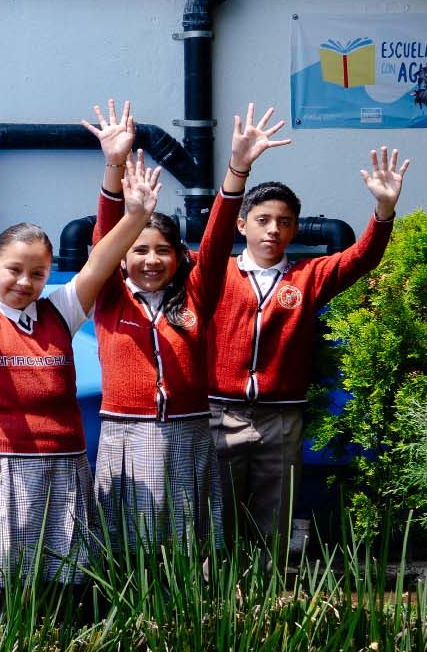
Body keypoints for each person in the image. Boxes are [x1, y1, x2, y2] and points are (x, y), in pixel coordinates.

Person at [0, 150, 161, 591]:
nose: (25, 282)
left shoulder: (60, 310)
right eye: (14, 270)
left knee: (65, 588)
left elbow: (101, 261)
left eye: (37, 273)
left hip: (64, 465)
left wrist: (135, 215)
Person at [84, 101, 289, 552]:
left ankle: (182, 621)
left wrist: (237, 168)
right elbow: (104, 237)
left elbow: (216, 240)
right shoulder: (109, 294)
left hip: (188, 434)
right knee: (126, 551)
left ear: (178, 257)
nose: (152, 260)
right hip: (126, 434)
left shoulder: (197, 293)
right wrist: (114, 166)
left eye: (162, 251)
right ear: (122, 257)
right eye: (139, 250)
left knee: (185, 551)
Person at [207, 135, 410, 553]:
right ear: (242, 225)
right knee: (216, 523)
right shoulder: (215, 274)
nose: (273, 230)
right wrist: (237, 170)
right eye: (262, 220)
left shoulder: (308, 276)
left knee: (273, 523)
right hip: (219, 413)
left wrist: (384, 209)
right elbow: (203, 240)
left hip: (281, 419)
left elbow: (362, 258)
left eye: (283, 221)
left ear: (295, 228)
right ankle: (215, 609)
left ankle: (265, 603)